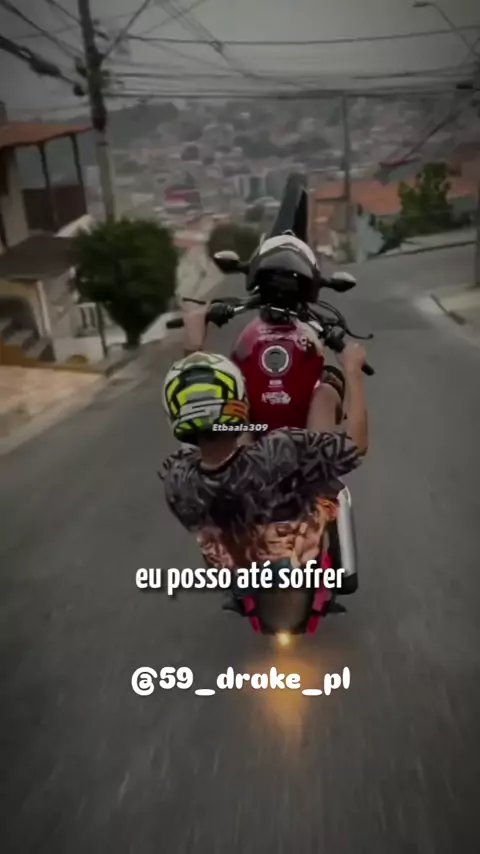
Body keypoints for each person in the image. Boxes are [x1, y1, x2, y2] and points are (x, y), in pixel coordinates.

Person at [160, 299, 369, 613]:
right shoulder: (282, 450)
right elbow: (356, 445)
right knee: (326, 404)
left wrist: (193, 346)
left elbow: (193, 428)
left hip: (238, 571)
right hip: (297, 559)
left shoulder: (178, 481)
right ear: (238, 403)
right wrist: (352, 372)